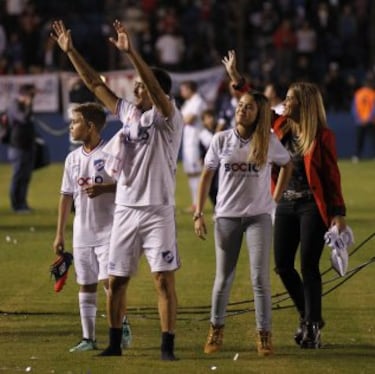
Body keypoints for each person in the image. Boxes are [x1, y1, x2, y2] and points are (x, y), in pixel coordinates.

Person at [51, 19, 183, 360]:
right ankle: (112, 343)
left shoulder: (167, 118)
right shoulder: (129, 116)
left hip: (157, 208)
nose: (135, 91)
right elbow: (95, 84)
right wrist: (71, 53)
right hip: (125, 208)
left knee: (162, 281)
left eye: (140, 87)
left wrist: (131, 53)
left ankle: (167, 346)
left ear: (157, 92)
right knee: (118, 280)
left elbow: (155, 90)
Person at [224, 50, 348, 349]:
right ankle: (309, 317)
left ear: (303, 103)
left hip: (311, 207)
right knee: (282, 265)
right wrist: (236, 79)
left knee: (308, 266)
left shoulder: (322, 136)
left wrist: (338, 213)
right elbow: (258, 106)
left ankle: (312, 328)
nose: (285, 102)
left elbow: (332, 177)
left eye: (291, 99)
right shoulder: (279, 126)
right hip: (284, 205)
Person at [194, 87, 292, 355]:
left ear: (258, 113)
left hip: (258, 217)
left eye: (249, 106)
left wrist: (275, 198)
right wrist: (199, 212)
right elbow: (206, 176)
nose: (242, 109)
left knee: (260, 279)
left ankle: (264, 335)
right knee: (223, 278)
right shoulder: (221, 139)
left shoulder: (268, 140)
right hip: (226, 217)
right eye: (241, 105)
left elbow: (288, 164)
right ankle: (215, 331)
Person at [52, 102, 132, 353]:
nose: (71, 127)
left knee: (110, 283)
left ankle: (122, 324)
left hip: (110, 230)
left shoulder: (111, 153)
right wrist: (59, 233)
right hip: (82, 232)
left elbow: (129, 186)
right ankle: (88, 338)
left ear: (90, 126)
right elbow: (66, 195)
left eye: (75, 122)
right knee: (86, 284)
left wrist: (104, 188)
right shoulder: (72, 159)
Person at [6, 83, 36, 213]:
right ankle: (15, 205)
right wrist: (28, 105)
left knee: (26, 176)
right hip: (18, 147)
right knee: (17, 176)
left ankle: (23, 204)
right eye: (31, 94)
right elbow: (23, 119)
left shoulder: (25, 106)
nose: (32, 98)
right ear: (24, 94)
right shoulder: (14, 106)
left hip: (28, 146)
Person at [179, 80, 208, 213]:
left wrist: (181, 119)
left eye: (183, 89)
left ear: (190, 89)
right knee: (191, 173)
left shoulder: (198, 101)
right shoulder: (188, 103)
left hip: (196, 141)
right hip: (187, 142)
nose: (181, 92)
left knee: (196, 173)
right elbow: (181, 119)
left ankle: (199, 203)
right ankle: (194, 203)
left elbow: (188, 119)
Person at [351, 76, 375, 162]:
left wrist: (359, 119)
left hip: (360, 121)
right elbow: (374, 109)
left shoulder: (358, 93)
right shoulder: (373, 93)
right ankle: (358, 155)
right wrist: (369, 118)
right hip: (370, 121)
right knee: (372, 139)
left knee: (359, 140)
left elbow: (354, 108)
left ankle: (357, 156)